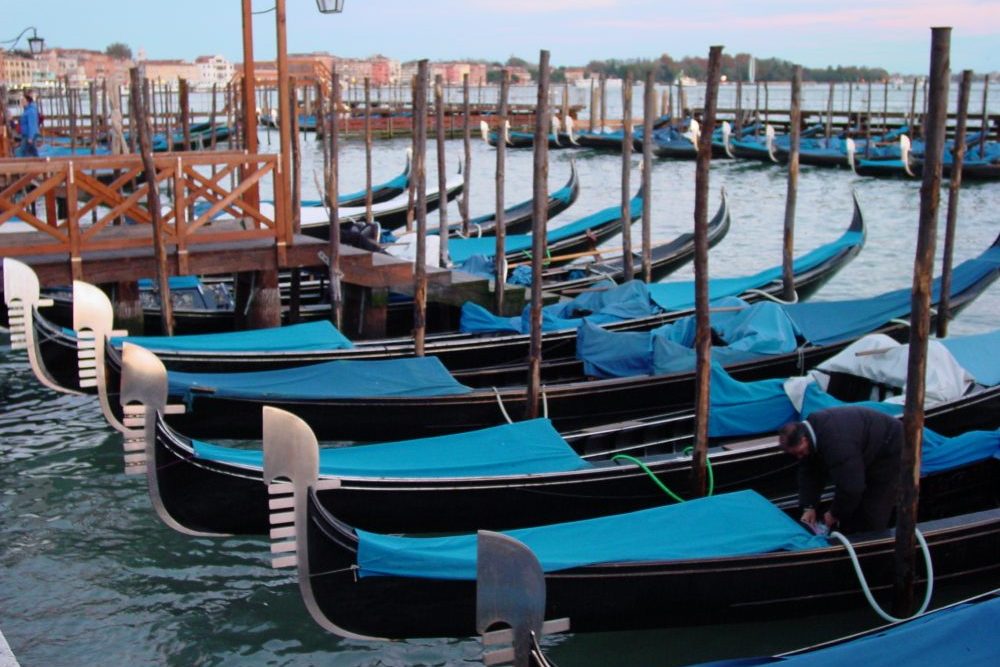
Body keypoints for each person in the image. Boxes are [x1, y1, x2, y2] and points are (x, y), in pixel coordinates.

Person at [778, 406, 903, 535]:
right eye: (796, 455)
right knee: (851, 499)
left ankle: (871, 539)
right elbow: (809, 473)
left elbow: (852, 487)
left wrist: (834, 513)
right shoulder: (810, 436)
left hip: (890, 447)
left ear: (804, 439)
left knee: (873, 503)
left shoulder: (837, 444)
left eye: (800, 452)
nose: (800, 457)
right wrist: (808, 506)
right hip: (862, 445)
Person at [16, 90, 40, 157]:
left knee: (24, 151)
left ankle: (27, 164)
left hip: (28, 134)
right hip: (26, 134)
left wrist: (31, 137)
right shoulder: (27, 110)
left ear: (27, 101)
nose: (22, 102)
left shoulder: (30, 111)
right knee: (31, 150)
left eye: (23, 101)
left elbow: (32, 124)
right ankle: (35, 162)